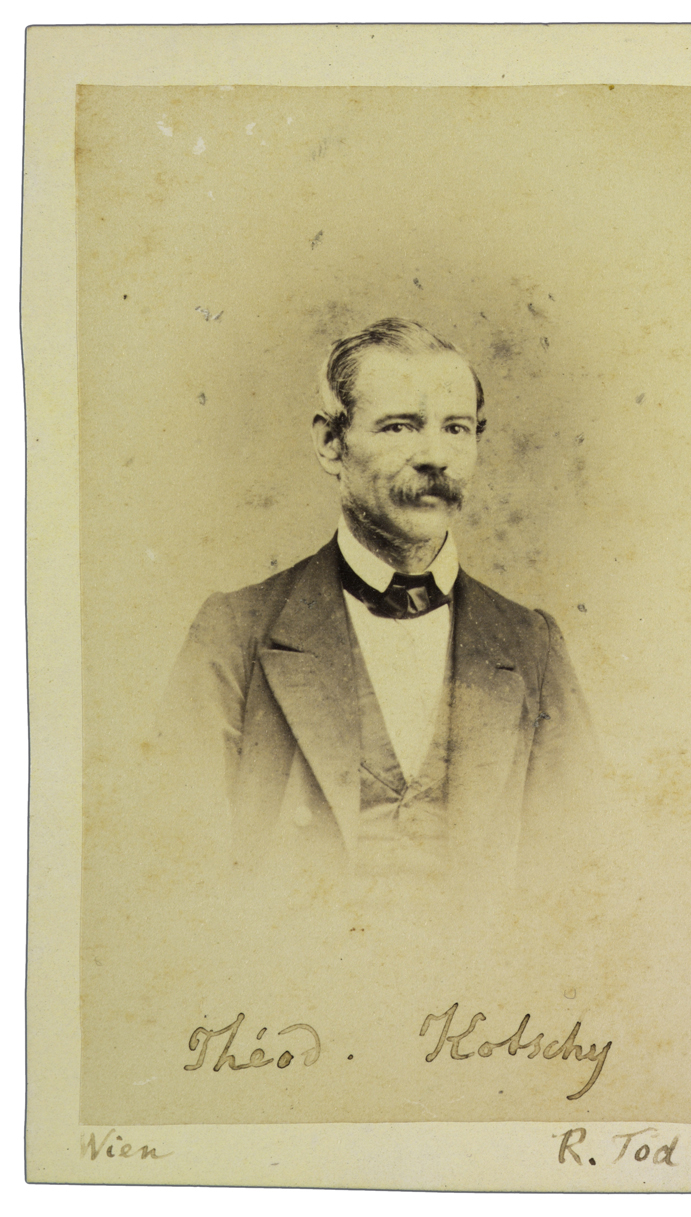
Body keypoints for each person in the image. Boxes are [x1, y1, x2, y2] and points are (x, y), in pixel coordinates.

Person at [158, 318, 593, 899]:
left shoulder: (532, 645)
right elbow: (177, 872)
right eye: (399, 426)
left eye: (456, 428)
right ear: (330, 444)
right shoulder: (235, 634)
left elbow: (581, 879)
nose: (435, 456)